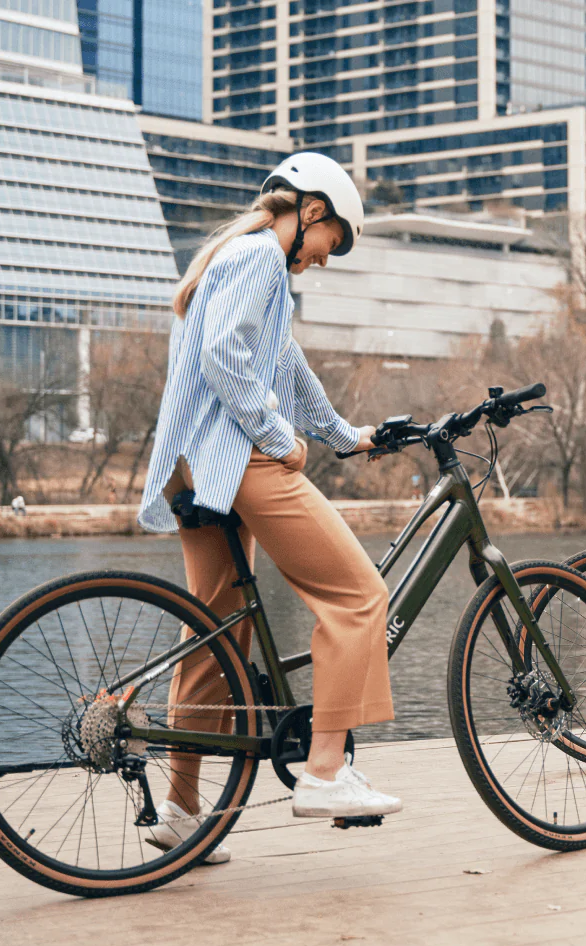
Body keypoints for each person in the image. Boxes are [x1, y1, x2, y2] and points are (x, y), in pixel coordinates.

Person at [135, 153, 400, 863]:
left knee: (216, 638)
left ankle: (181, 810)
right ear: (311, 211)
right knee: (358, 598)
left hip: (194, 467)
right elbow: (227, 359)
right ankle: (322, 773)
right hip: (236, 458)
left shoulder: (242, 260)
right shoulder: (259, 259)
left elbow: (284, 363)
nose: (327, 258)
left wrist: (347, 436)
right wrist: (280, 437)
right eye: (332, 241)